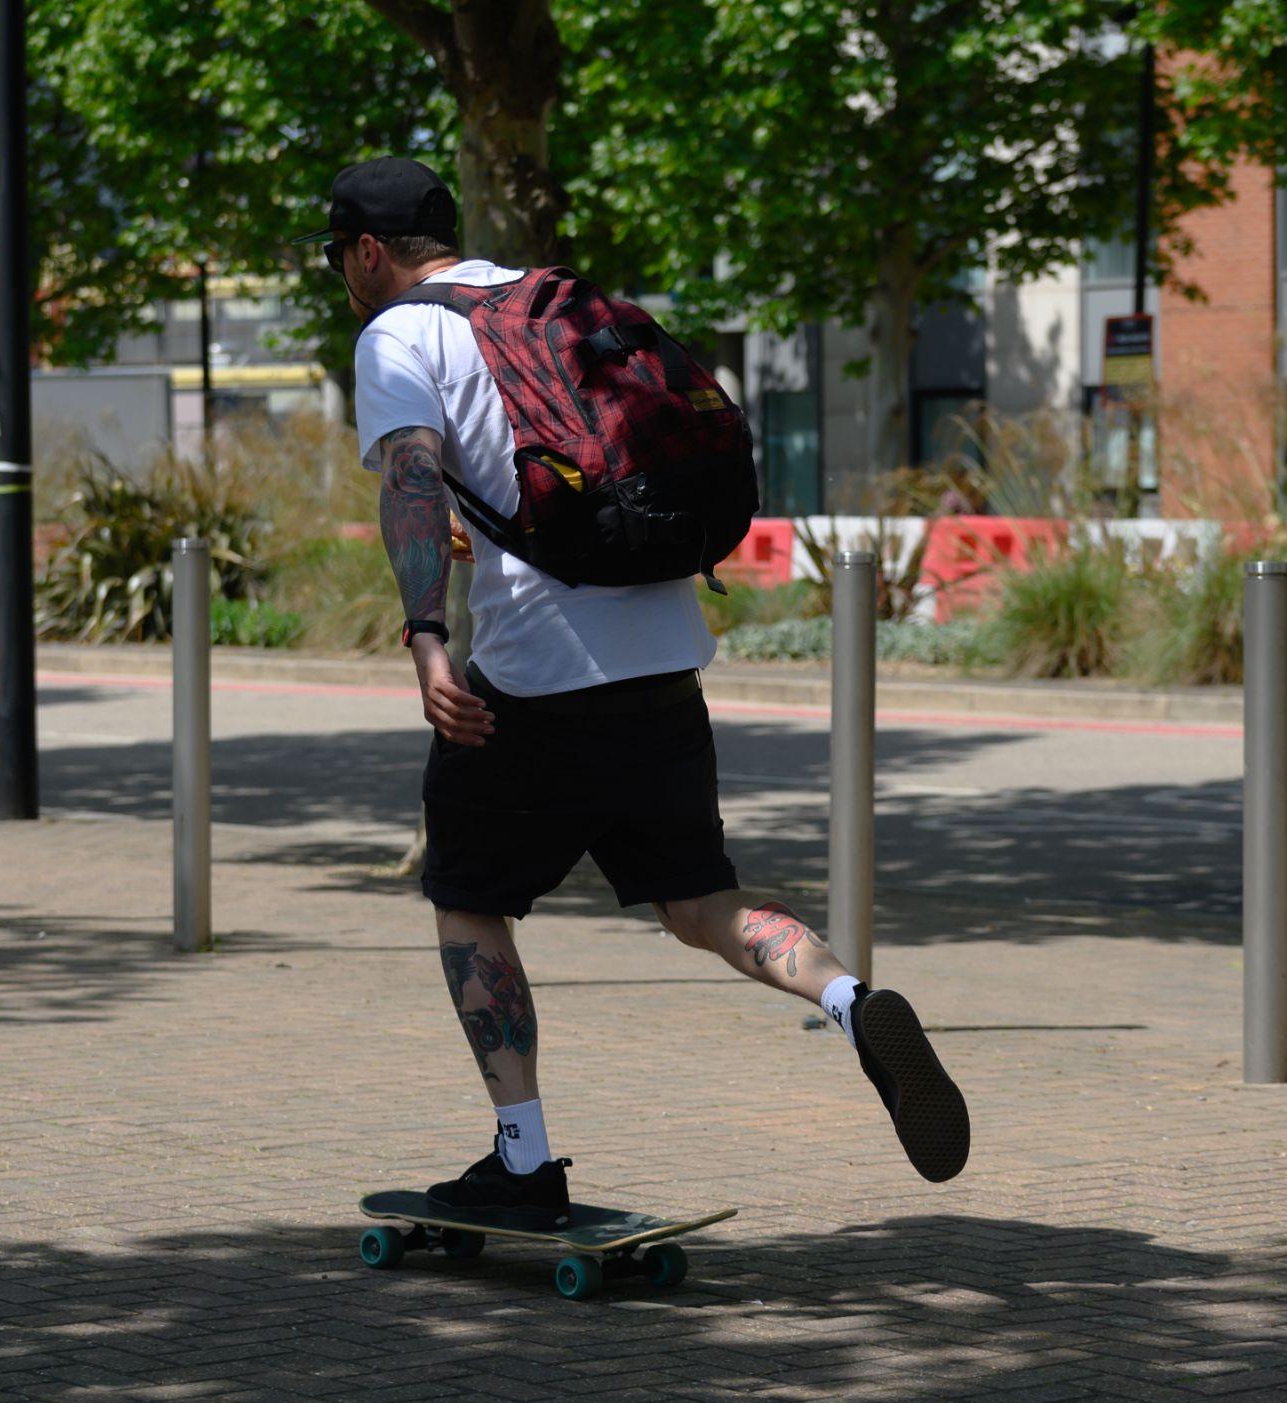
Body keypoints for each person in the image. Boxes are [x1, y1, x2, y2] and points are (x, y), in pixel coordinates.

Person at [311, 156, 969, 1229]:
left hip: (531, 679)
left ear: (369, 251)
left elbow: (415, 479)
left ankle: (522, 1161)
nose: (345, 276)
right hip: (664, 658)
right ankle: (852, 1001)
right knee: (705, 905)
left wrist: (428, 637)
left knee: (470, 897)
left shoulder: (398, 333)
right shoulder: (548, 303)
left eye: (342, 257)